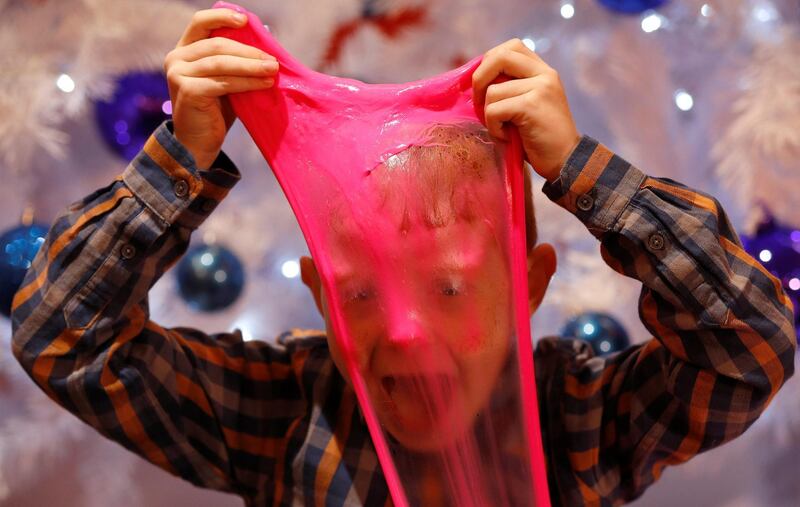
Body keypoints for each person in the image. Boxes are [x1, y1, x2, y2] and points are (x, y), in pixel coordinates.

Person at [10, 7, 796, 507]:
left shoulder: (583, 420)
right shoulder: (286, 413)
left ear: (529, 288)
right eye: (360, 292)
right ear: (319, 296)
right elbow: (62, 335)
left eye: (450, 286)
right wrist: (178, 158)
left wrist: (581, 171)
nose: (407, 330)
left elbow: (750, 346)